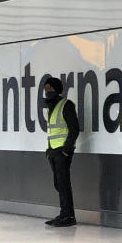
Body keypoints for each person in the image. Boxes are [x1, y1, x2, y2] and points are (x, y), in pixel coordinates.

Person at [41, 77, 80, 227]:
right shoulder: (52, 106)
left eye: (50, 89)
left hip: (62, 151)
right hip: (53, 150)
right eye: (46, 90)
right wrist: (49, 150)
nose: (47, 92)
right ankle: (64, 213)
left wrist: (65, 150)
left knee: (63, 183)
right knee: (59, 184)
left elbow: (74, 128)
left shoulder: (65, 105)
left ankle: (68, 216)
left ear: (57, 89)